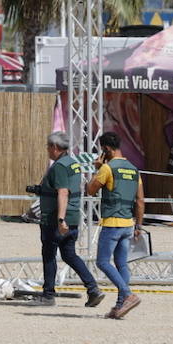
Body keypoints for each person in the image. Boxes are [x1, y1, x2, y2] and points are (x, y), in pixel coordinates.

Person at [29, 131, 104, 308]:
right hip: (73, 217)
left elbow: (63, 192)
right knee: (69, 255)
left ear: (55, 147)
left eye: (48, 147)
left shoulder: (60, 166)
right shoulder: (73, 164)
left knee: (49, 255)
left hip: (56, 219)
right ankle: (93, 289)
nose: (47, 150)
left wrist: (60, 220)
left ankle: (48, 295)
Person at [85, 131, 144, 319]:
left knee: (103, 262)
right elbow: (140, 201)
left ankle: (127, 295)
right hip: (128, 223)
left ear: (106, 149)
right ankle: (120, 306)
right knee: (121, 264)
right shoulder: (134, 170)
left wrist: (97, 168)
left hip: (112, 223)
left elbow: (90, 190)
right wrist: (138, 226)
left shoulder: (108, 168)